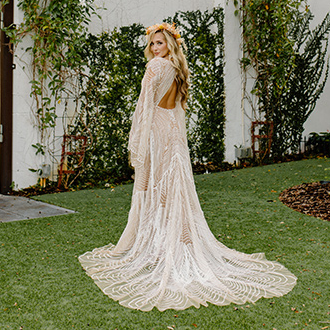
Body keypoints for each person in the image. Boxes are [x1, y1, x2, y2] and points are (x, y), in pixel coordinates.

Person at [79, 22, 296, 311]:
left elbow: (144, 107)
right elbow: (178, 108)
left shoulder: (155, 67)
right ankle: (171, 243)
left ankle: (160, 247)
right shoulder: (178, 70)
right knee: (174, 186)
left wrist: (138, 143)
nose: (155, 48)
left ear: (170, 43)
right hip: (173, 131)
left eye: (160, 43)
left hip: (157, 130)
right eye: (152, 44)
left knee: (155, 185)